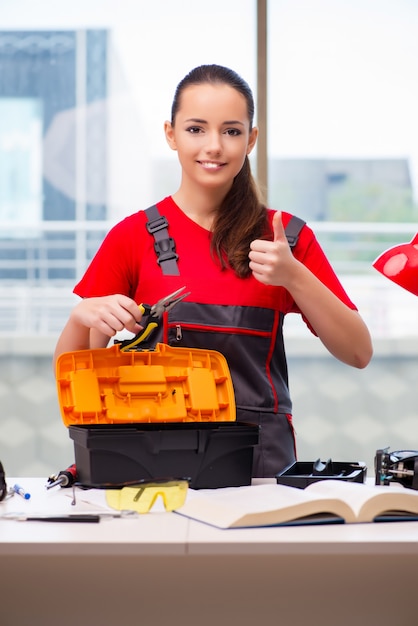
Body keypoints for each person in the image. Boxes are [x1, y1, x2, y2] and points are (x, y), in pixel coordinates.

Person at [54, 64, 373, 477]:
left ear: (251, 139)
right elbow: (76, 382)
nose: (214, 146)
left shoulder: (286, 238)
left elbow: (358, 352)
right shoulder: (130, 237)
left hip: (260, 474)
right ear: (171, 134)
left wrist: (294, 276)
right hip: (154, 466)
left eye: (232, 131)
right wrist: (81, 318)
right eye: (196, 129)